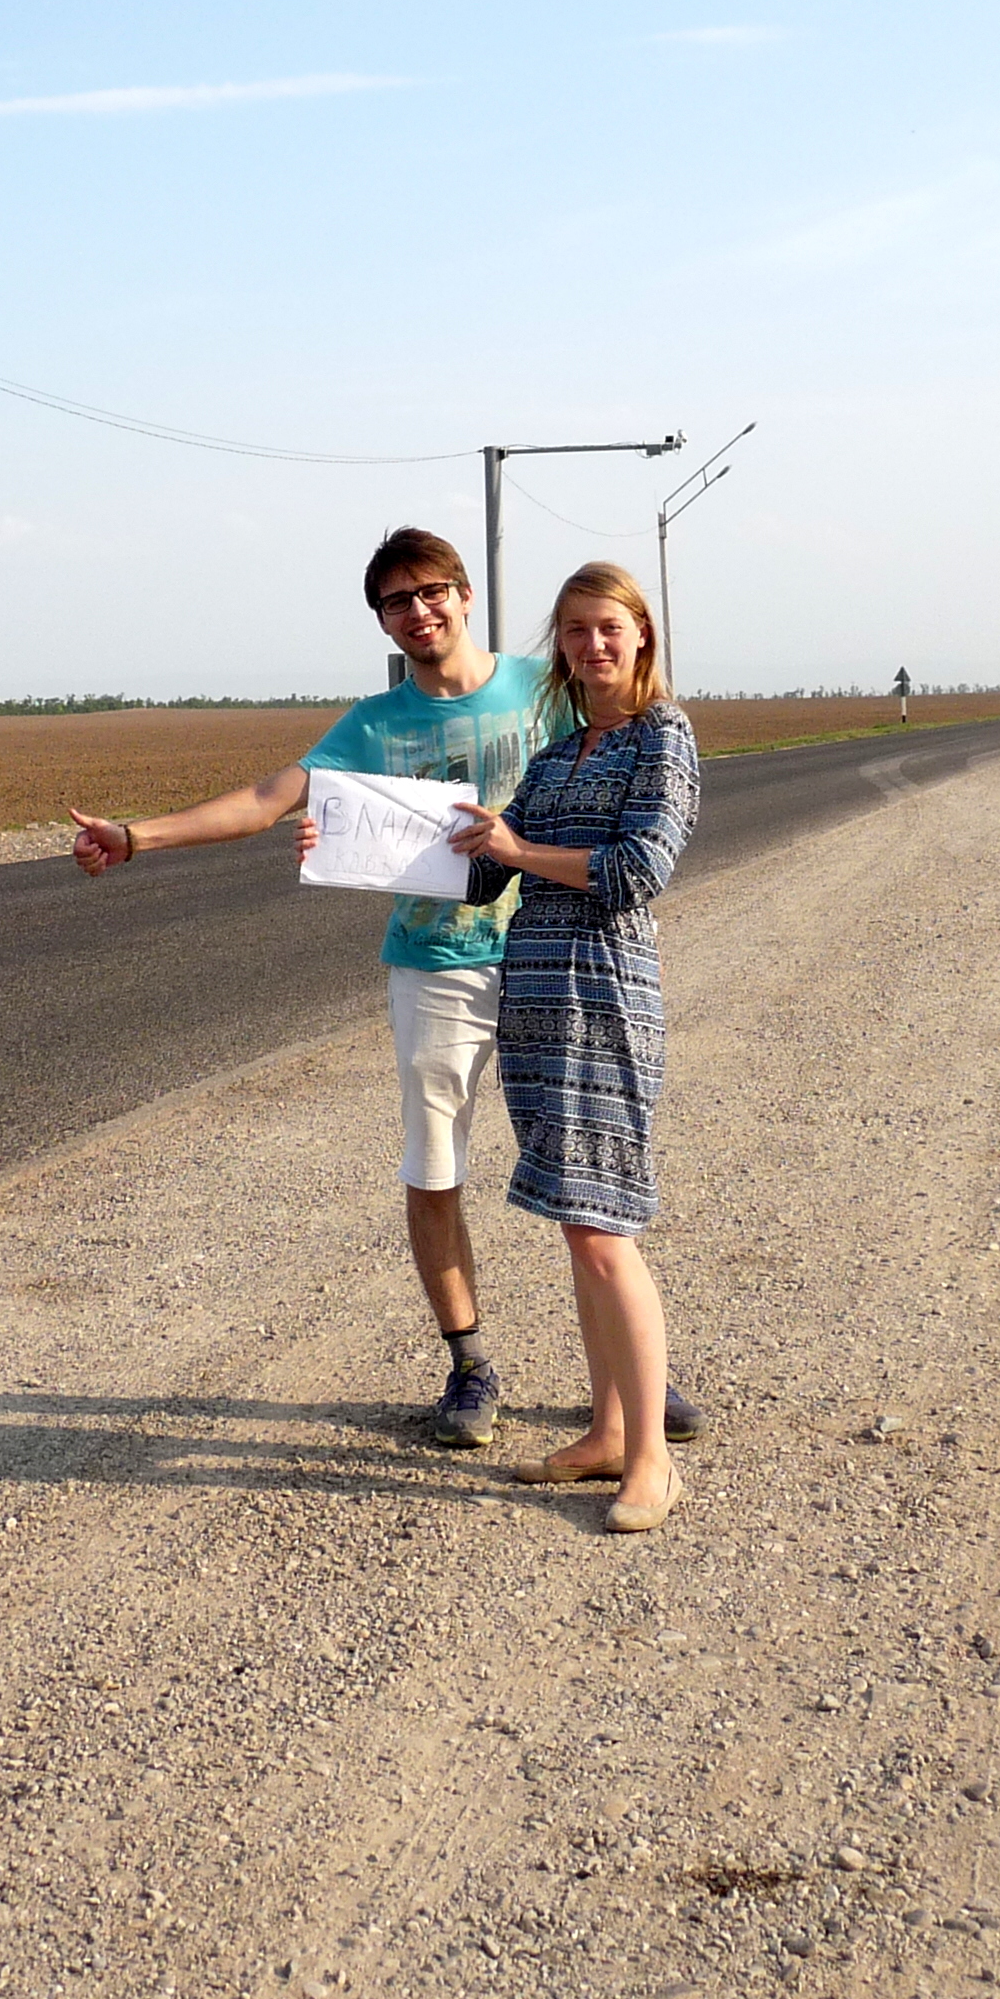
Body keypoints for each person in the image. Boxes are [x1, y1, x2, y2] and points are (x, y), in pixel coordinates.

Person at [65, 528, 706, 1454]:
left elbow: (631, 786)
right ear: (382, 619)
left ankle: (635, 1390)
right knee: (436, 1162)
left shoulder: (554, 686)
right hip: (435, 964)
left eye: (433, 592)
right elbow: (265, 797)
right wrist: (134, 838)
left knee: (586, 1173)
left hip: (556, 960)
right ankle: (471, 1364)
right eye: (398, 602)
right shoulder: (371, 723)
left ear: (466, 594)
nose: (420, 612)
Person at [448, 561, 700, 1536]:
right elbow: (490, 874)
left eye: (608, 628)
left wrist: (515, 854)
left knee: (604, 1230)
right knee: (576, 1223)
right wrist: (421, 842)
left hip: (603, 992)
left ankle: (649, 1461)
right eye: (575, 631)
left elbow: (640, 870)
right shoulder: (556, 754)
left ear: (641, 636)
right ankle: (603, 1430)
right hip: (536, 998)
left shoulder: (660, 737)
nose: (591, 645)